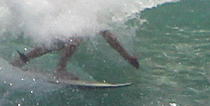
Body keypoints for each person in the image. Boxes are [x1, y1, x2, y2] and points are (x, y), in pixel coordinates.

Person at [11, 30, 140, 81]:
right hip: (60, 14)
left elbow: (109, 37)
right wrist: (126, 56)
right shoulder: (89, 12)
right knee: (75, 36)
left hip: (61, 15)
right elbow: (109, 38)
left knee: (59, 42)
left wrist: (127, 56)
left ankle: (22, 60)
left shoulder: (90, 12)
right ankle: (60, 69)